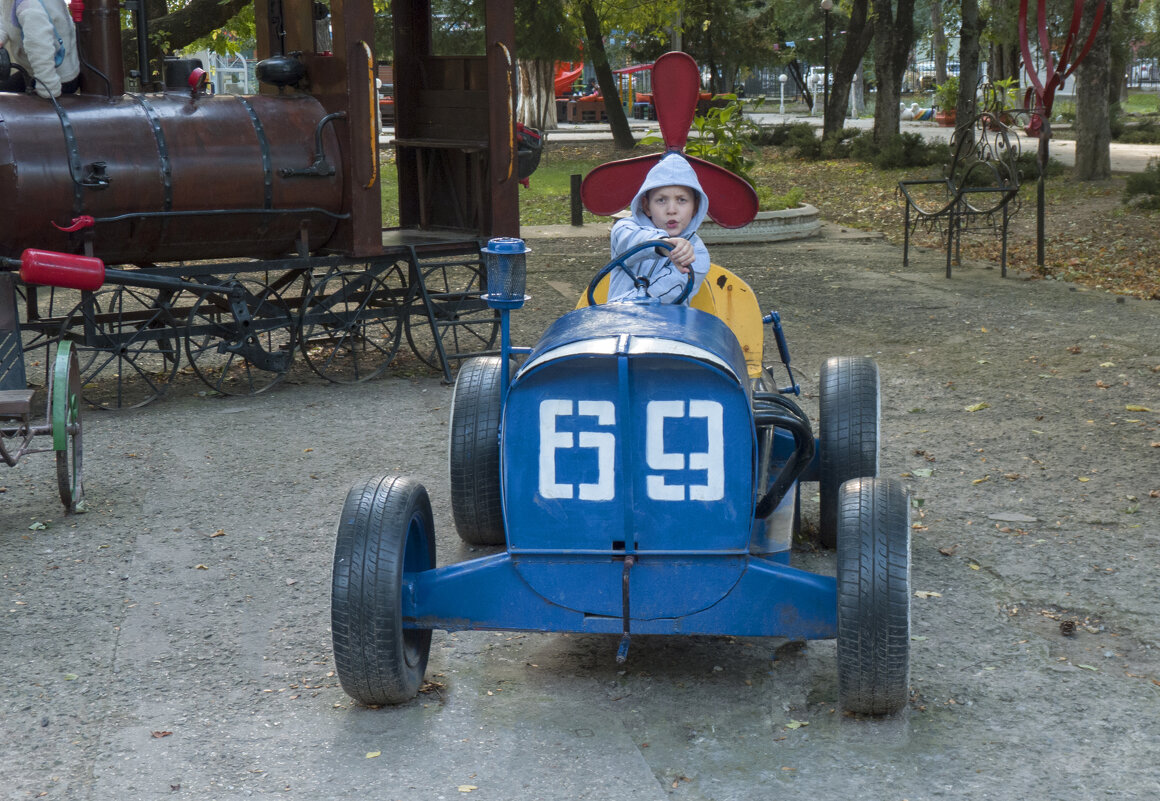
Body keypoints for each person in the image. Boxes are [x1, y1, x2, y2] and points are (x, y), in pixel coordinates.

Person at [608, 152, 710, 305]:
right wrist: (663, 245)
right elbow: (630, 241)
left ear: (695, 208)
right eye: (661, 200)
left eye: (681, 200)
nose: (671, 210)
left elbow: (659, 295)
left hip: (667, 326)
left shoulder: (697, 253)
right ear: (646, 206)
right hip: (617, 324)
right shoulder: (625, 228)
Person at [0, 0, 80, 98]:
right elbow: (5, 19)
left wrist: (48, 89)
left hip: (56, 77)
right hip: (35, 71)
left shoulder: (29, 6)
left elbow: (41, 48)